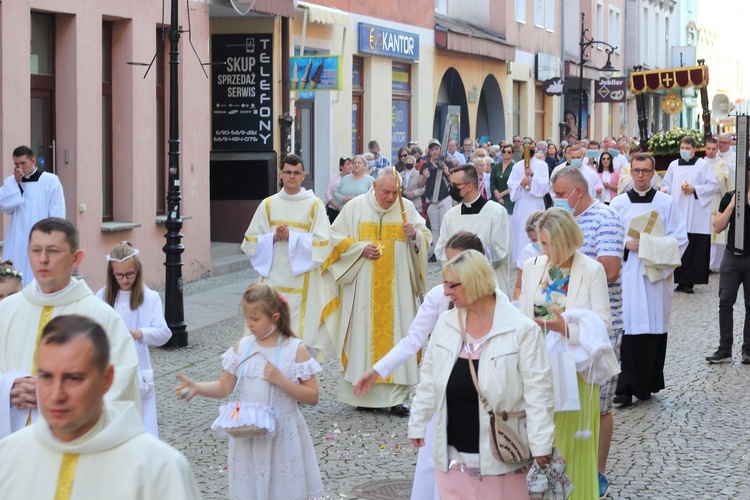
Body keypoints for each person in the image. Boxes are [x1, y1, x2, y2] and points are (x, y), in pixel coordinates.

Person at [0, 315, 200, 500]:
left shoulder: (158, 469)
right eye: (46, 377)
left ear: (106, 379)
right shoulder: (10, 455)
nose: (56, 395)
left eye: (74, 378)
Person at [408, 249, 555, 497]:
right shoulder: (445, 323)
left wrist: (542, 443)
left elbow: (539, 392)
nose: (445, 292)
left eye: (451, 285)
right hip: (453, 455)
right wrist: (418, 422)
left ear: (474, 284)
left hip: (502, 457)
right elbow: (430, 379)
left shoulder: (521, 331)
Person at [354, 231, 485, 500]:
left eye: (457, 261)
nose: (450, 269)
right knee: (432, 462)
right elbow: (412, 340)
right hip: (440, 393)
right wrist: (377, 369)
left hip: (477, 394)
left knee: (472, 464)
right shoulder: (439, 296)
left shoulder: (495, 299)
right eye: (447, 262)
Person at [175, 283, 323, 499]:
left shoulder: (294, 349)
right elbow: (224, 386)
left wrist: (282, 381)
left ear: (275, 317)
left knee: (283, 489)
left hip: (282, 436)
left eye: (255, 319)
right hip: (248, 436)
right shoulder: (242, 347)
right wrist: (197, 387)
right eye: (247, 318)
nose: (249, 324)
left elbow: (313, 396)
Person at [0, 217, 139, 439]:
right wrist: (7, 389)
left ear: (76, 258)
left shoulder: (102, 319)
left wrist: (54, 397)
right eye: (36, 250)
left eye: (53, 251)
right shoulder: (5, 311)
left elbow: (121, 387)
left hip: (73, 447)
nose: (42, 260)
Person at [518, 208, 612, 500]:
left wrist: (565, 329)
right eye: (542, 244)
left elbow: (604, 325)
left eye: (551, 244)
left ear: (568, 239)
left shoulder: (591, 269)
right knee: (538, 441)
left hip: (573, 369)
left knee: (570, 444)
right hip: (536, 364)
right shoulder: (534, 265)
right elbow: (523, 312)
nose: (546, 251)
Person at [327, 167, 431, 415]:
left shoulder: (406, 208)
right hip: (363, 290)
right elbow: (334, 238)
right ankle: (364, 397)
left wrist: (415, 236)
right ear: (374, 186)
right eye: (386, 192)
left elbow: (425, 239)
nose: (391, 198)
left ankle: (397, 399)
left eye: (395, 193)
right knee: (362, 337)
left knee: (399, 335)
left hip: (399, 292)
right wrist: (359, 249)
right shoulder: (355, 208)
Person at [550, 166, 626, 497]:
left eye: (562, 194)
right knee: (563, 400)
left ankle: (597, 472)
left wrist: (576, 266)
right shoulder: (563, 219)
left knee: (599, 403)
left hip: (598, 326)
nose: (558, 200)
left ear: (579, 192)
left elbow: (610, 269)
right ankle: (565, 466)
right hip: (560, 327)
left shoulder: (605, 219)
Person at [609, 154, 688, 406]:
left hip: (654, 274)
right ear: (630, 172)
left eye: (645, 171)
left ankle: (647, 383)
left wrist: (647, 246)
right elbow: (609, 237)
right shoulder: (617, 204)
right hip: (628, 273)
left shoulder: (666, 203)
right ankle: (624, 387)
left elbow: (680, 238)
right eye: (636, 171)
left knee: (652, 327)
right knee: (628, 328)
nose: (641, 176)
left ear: (654, 173)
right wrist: (625, 244)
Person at [242, 154, 337, 357]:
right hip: (273, 278)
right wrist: (273, 238)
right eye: (287, 172)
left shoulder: (315, 206)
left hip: (304, 282)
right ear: (281, 174)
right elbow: (249, 242)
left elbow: (324, 244)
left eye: (296, 173)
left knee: (302, 336)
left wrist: (291, 237)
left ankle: (300, 377)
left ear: (303, 176)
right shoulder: (268, 204)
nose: (292, 177)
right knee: (269, 328)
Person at [96, 242, 171, 437]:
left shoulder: (149, 297)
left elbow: (164, 333)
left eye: (130, 274)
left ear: (137, 270)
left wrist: (140, 333)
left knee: (141, 424)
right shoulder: (102, 296)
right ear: (112, 273)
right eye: (119, 275)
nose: (125, 279)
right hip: (109, 368)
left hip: (138, 369)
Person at [435, 165, 511, 297]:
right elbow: (441, 251)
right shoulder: (450, 215)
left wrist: (468, 264)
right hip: (459, 287)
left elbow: (500, 252)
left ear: (469, 186)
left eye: (455, 185)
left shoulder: (496, 212)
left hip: (487, 285)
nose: (451, 189)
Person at [0, 146, 66, 286]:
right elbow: (6, 207)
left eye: (23, 163)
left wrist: (54, 239)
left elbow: (57, 212)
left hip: (41, 235)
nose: (20, 168)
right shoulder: (11, 182)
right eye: (16, 164)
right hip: (17, 236)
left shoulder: (50, 181)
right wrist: (16, 183)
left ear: (33, 161)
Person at [661, 136, 719, 293]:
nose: (684, 151)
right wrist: (665, 190)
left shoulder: (703, 165)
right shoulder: (674, 165)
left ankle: (689, 282)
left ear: (694, 149)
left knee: (693, 247)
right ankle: (678, 280)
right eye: (682, 148)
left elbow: (713, 185)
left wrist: (695, 189)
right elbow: (666, 183)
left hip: (696, 211)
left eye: (687, 148)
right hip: (677, 208)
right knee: (678, 244)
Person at [706, 169, 750, 365]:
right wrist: (732, 206)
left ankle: (748, 349)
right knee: (725, 301)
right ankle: (725, 348)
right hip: (732, 256)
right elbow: (717, 226)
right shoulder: (730, 196)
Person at [508, 145, 550, 264]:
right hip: (522, 203)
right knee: (520, 231)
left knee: (537, 228)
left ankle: (539, 258)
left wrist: (532, 175)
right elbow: (511, 184)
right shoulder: (517, 166)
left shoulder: (542, 165)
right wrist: (521, 182)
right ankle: (521, 260)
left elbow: (544, 184)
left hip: (535, 202)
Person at [703, 138, 734, 272]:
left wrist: (708, 177)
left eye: (713, 149)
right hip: (702, 202)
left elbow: (721, 181)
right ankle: (704, 263)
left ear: (717, 149)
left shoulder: (722, 164)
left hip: (715, 200)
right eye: (708, 148)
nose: (710, 151)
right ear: (705, 148)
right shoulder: (700, 163)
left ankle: (714, 264)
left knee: (716, 233)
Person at [418, 139, 452, 260]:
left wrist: (448, 173)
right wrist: (424, 177)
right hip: (432, 199)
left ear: (440, 150)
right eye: (432, 149)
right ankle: (438, 252)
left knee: (445, 225)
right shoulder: (426, 165)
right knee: (435, 228)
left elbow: (454, 182)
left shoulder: (448, 163)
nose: (434, 152)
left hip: (444, 197)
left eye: (436, 149)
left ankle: (448, 250)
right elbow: (419, 184)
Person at [513, 211, 544, 301]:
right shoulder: (527, 251)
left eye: (538, 239)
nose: (536, 243)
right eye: (532, 240)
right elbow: (518, 286)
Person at [325, 156, 352, 223]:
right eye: (348, 164)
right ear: (341, 166)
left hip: (348, 210)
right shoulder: (334, 178)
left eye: (351, 164)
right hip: (334, 210)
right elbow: (327, 193)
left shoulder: (353, 178)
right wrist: (336, 205)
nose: (350, 166)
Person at [490, 145, 515, 214]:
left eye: (509, 152)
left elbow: (514, 185)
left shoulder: (515, 167)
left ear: (512, 154)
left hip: (509, 199)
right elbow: (492, 182)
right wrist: (498, 195)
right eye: (504, 151)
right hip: (496, 197)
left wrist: (502, 195)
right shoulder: (496, 166)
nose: (506, 153)